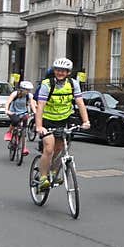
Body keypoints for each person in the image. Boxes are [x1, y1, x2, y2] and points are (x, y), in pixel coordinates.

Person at [34, 57, 90, 191]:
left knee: (60, 150)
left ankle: (53, 173)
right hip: (48, 120)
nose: (60, 73)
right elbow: (40, 106)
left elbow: (80, 103)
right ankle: (42, 178)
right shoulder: (47, 84)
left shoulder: (73, 84)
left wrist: (86, 121)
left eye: (64, 71)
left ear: (68, 72)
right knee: (49, 148)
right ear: (54, 71)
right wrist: (39, 126)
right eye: (58, 70)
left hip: (64, 119)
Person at [3, 81, 38, 155]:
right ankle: (9, 132)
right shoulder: (15, 94)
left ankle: (24, 148)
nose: (28, 91)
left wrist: (35, 112)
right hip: (13, 112)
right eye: (26, 90)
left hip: (23, 112)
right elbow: (8, 102)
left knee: (24, 130)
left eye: (29, 90)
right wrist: (7, 110)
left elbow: (32, 104)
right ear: (21, 89)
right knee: (15, 121)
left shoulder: (29, 96)